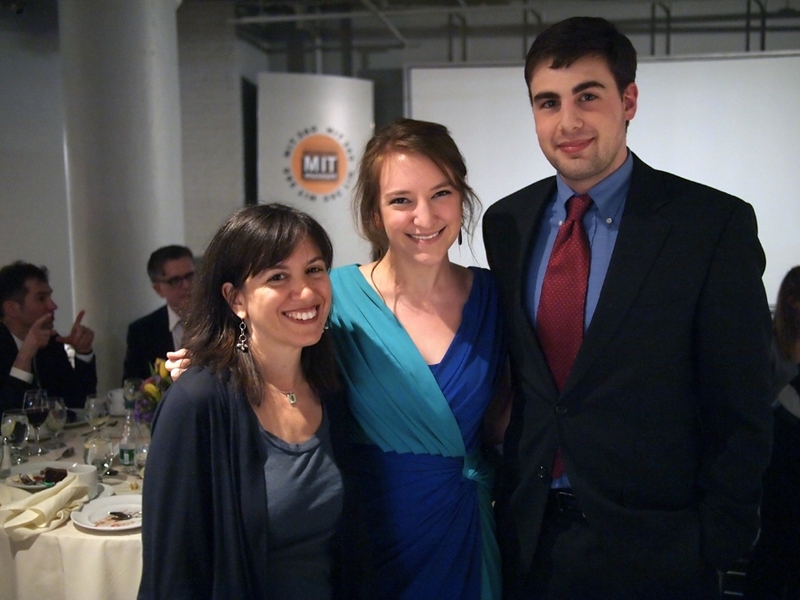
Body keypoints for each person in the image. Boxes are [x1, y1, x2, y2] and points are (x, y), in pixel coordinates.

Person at [482, 16, 773, 599]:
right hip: (530, 539)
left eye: (587, 96)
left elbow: (741, 402)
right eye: (547, 102)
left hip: (658, 550)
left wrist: (717, 542)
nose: (568, 122)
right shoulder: (506, 223)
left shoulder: (709, 225)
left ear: (629, 100)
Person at [138, 205, 359, 599]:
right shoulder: (196, 404)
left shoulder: (335, 386)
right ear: (235, 299)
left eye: (315, 269)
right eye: (278, 277)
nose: (306, 291)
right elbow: (172, 576)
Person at [328, 118, 507, 599]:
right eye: (401, 200)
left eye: (441, 194)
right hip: (375, 535)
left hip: (468, 531)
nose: (424, 217)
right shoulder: (337, 298)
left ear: (462, 198)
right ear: (374, 213)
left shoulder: (494, 297)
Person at [743, 266, 800, 599]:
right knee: (777, 538)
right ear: (791, 300)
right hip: (779, 453)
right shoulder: (770, 343)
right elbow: (760, 399)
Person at [0, 260, 96, 412]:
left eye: (49, 297)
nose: (53, 306)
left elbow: (78, 403)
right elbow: (6, 417)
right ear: (12, 309)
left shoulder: (50, 342)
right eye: (41, 298)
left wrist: (83, 352)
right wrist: (24, 357)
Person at [123, 245, 194, 382]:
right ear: (158, 289)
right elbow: (132, 385)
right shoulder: (141, 332)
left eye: (190, 276)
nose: (186, 285)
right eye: (175, 281)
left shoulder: (220, 319)